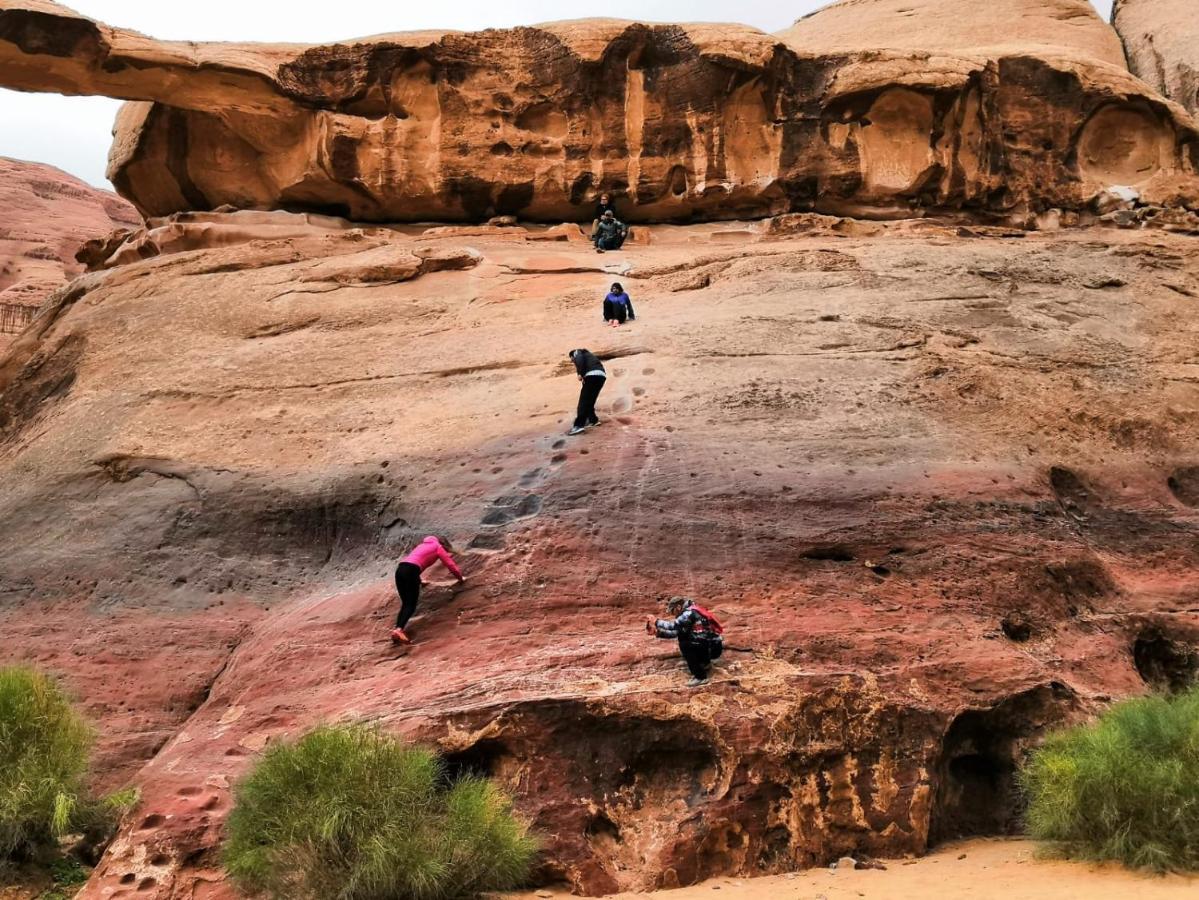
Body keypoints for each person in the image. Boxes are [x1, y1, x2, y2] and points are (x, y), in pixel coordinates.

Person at [391, 535, 464, 644]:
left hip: (400, 570)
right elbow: (449, 564)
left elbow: (413, 561)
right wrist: (460, 578)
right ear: (444, 544)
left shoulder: (423, 545)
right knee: (411, 605)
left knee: (406, 603)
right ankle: (399, 630)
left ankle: (397, 629)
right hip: (411, 571)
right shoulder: (438, 547)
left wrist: (419, 581)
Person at [647, 597, 724, 686]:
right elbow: (676, 633)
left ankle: (700, 677)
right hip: (710, 645)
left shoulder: (689, 613)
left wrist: (656, 621)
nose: (672, 614)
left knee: (685, 645)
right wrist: (657, 632)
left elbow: (674, 626)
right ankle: (705, 664)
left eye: (673, 611)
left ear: (678, 607)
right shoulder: (692, 611)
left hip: (712, 647)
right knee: (685, 638)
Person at [567, 348, 606, 436]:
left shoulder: (577, 352)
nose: (572, 361)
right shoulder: (589, 356)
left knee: (583, 401)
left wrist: (579, 373)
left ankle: (578, 426)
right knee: (590, 400)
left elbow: (579, 359)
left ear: (572, 355)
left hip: (592, 376)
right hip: (601, 376)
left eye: (572, 359)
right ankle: (593, 420)